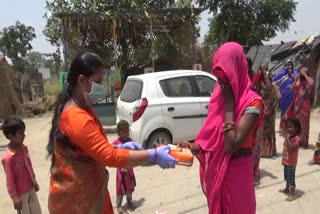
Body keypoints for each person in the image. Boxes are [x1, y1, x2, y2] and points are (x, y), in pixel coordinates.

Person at [47, 52, 177, 214]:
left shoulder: (83, 109)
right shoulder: (75, 117)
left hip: (89, 194)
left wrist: (121, 147)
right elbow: (109, 156)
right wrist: (153, 155)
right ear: (81, 81)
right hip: (77, 203)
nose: (101, 88)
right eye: (98, 82)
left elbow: (94, 148)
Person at [179, 42, 264, 214]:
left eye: (226, 75)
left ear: (238, 69)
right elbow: (211, 139)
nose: (222, 82)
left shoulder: (253, 102)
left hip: (238, 175)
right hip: (218, 173)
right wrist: (192, 146)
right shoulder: (218, 101)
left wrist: (230, 104)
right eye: (219, 77)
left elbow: (231, 145)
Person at [1, 117, 42, 214]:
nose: (24, 135)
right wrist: (14, 197)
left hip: (31, 188)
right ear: (11, 136)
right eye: (21, 133)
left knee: (37, 211)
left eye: (24, 132)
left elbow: (29, 166)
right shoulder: (8, 158)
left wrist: (34, 180)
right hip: (21, 195)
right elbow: (10, 180)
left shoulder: (24, 148)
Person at [252, 65, 278, 158]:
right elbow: (266, 89)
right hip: (263, 110)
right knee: (264, 131)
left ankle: (269, 151)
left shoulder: (269, 83)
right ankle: (264, 150)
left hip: (269, 111)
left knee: (269, 130)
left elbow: (273, 93)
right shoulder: (260, 83)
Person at [112, 120, 137, 213]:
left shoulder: (131, 141)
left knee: (129, 187)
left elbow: (136, 150)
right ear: (119, 132)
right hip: (120, 170)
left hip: (129, 169)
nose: (125, 134)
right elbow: (110, 150)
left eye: (127, 131)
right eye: (123, 132)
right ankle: (119, 205)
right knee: (120, 188)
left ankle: (129, 202)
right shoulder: (116, 143)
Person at [272, 59, 298, 133]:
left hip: (291, 95)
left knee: (290, 111)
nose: (289, 66)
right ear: (285, 65)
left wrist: (291, 75)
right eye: (287, 65)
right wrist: (276, 88)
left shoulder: (295, 73)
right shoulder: (281, 74)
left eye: (290, 65)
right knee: (283, 111)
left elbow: (297, 80)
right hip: (283, 96)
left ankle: (290, 128)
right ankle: (282, 127)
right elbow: (273, 80)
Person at [291, 67, 314, 149]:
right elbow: (291, 88)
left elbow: (311, 84)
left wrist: (305, 75)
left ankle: (304, 143)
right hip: (297, 104)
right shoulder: (298, 80)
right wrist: (296, 78)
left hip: (305, 105)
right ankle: (298, 141)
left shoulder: (310, 80)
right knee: (297, 122)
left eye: (305, 73)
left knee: (304, 123)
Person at [279, 118, 301, 201]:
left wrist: (287, 138)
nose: (289, 129)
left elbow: (291, 148)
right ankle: (287, 188)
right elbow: (285, 146)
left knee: (291, 178)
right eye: (288, 127)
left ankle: (292, 194)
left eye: (291, 127)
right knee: (287, 176)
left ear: (296, 128)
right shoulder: (288, 136)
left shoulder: (296, 139)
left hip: (291, 162)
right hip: (286, 160)